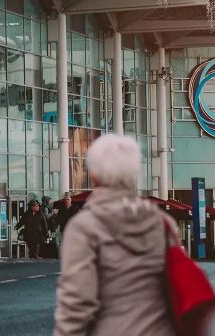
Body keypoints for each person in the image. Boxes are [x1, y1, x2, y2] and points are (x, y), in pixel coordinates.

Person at [55, 134, 177, 336]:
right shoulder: (162, 223)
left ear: (93, 175)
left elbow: (77, 302)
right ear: (134, 173)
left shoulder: (84, 227)